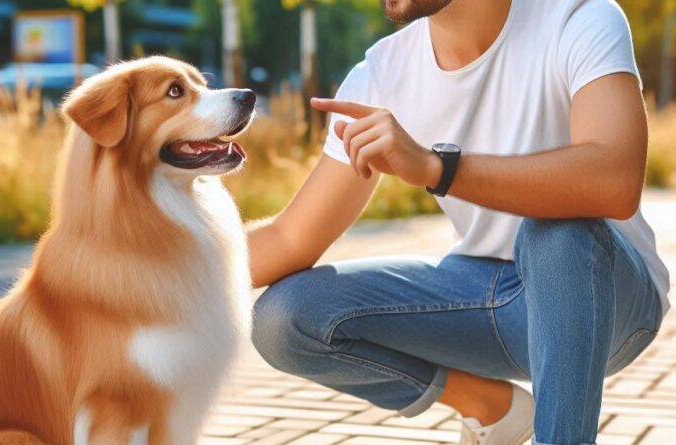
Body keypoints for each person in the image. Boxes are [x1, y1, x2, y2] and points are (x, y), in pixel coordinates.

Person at [246, 0, 671, 444]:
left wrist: (438, 168)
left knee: (557, 231)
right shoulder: (383, 72)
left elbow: (614, 181)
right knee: (285, 318)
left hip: (606, 302)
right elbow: (289, 238)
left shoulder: (578, 16)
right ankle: (491, 408)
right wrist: (168, 268)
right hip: (491, 302)